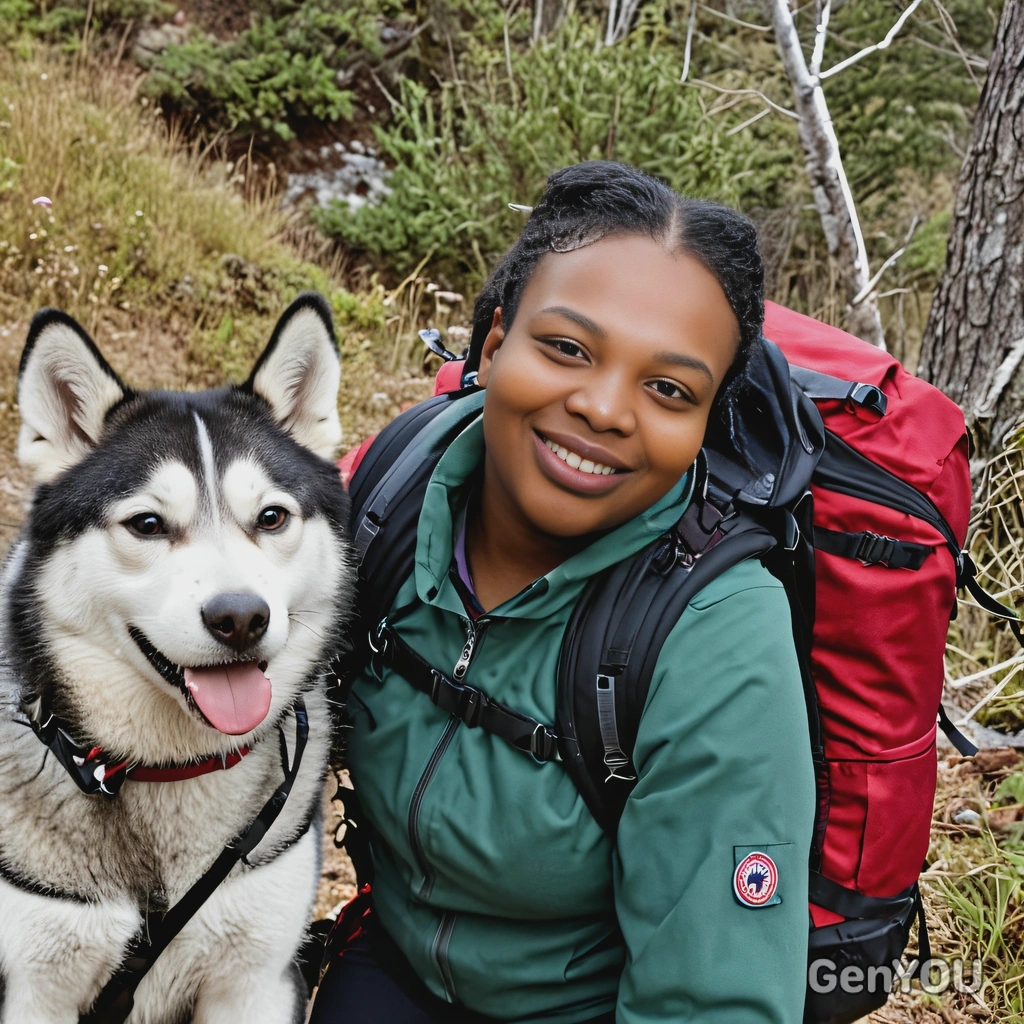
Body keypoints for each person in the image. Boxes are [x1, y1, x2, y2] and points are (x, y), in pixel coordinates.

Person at [309, 161, 815, 1024]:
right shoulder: (398, 486)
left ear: (702, 426)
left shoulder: (718, 635)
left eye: (668, 389)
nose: (606, 408)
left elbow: (711, 1003)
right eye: (568, 348)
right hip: (394, 960)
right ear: (496, 340)